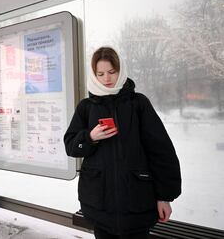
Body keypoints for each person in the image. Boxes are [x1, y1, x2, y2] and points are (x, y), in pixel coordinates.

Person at [64, 47, 181, 239]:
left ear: (121, 70)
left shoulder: (138, 103)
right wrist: (90, 137)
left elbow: (162, 151)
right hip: (99, 203)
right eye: (100, 74)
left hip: (137, 201)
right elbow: (71, 146)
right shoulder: (86, 107)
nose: (106, 78)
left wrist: (165, 196)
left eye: (112, 72)